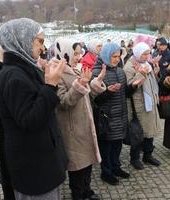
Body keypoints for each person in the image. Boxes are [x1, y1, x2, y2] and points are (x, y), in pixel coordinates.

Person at [0, 18, 68, 200]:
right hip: (35, 171)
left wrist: (50, 81)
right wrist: (50, 85)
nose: (43, 48)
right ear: (22, 40)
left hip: (42, 164)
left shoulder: (24, 70)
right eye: (40, 41)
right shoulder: (14, 77)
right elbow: (30, 120)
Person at [55, 37, 106, 200]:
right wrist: (80, 84)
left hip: (84, 125)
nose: (78, 57)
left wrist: (97, 81)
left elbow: (88, 94)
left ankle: (87, 191)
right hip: (72, 129)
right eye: (75, 53)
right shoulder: (57, 73)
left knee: (87, 163)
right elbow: (63, 102)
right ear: (64, 53)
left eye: (79, 53)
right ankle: (78, 194)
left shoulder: (74, 69)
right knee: (77, 167)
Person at [92, 42, 130, 186]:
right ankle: (106, 172)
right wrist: (108, 91)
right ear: (106, 55)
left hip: (120, 115)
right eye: (113, 56)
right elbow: (95, 100)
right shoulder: (97, 72)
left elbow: (125, 92)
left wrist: (133, 85)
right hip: (106, 118)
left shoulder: (120, 71)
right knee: (106, 147)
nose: (116, 59)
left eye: (118, 56)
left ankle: (116, 167)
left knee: (117, 145)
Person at [124, 42, 161, 170]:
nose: (147, 56)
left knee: (149, 131)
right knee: (138, 133)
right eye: (144, 54)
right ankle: (135, 158)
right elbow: (129, 89)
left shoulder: (147, 65)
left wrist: (156, 73)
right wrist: (141, 74)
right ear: (138, 53)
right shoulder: (129, 66)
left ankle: (148, 155)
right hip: (138, 105)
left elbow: (152, 83)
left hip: (150, 102)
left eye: (148, 53)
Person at [0, 34, 15, 200]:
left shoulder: (3, 68)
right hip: (4, 135)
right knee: (9, 178)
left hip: (7, 135)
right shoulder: (1, 71)